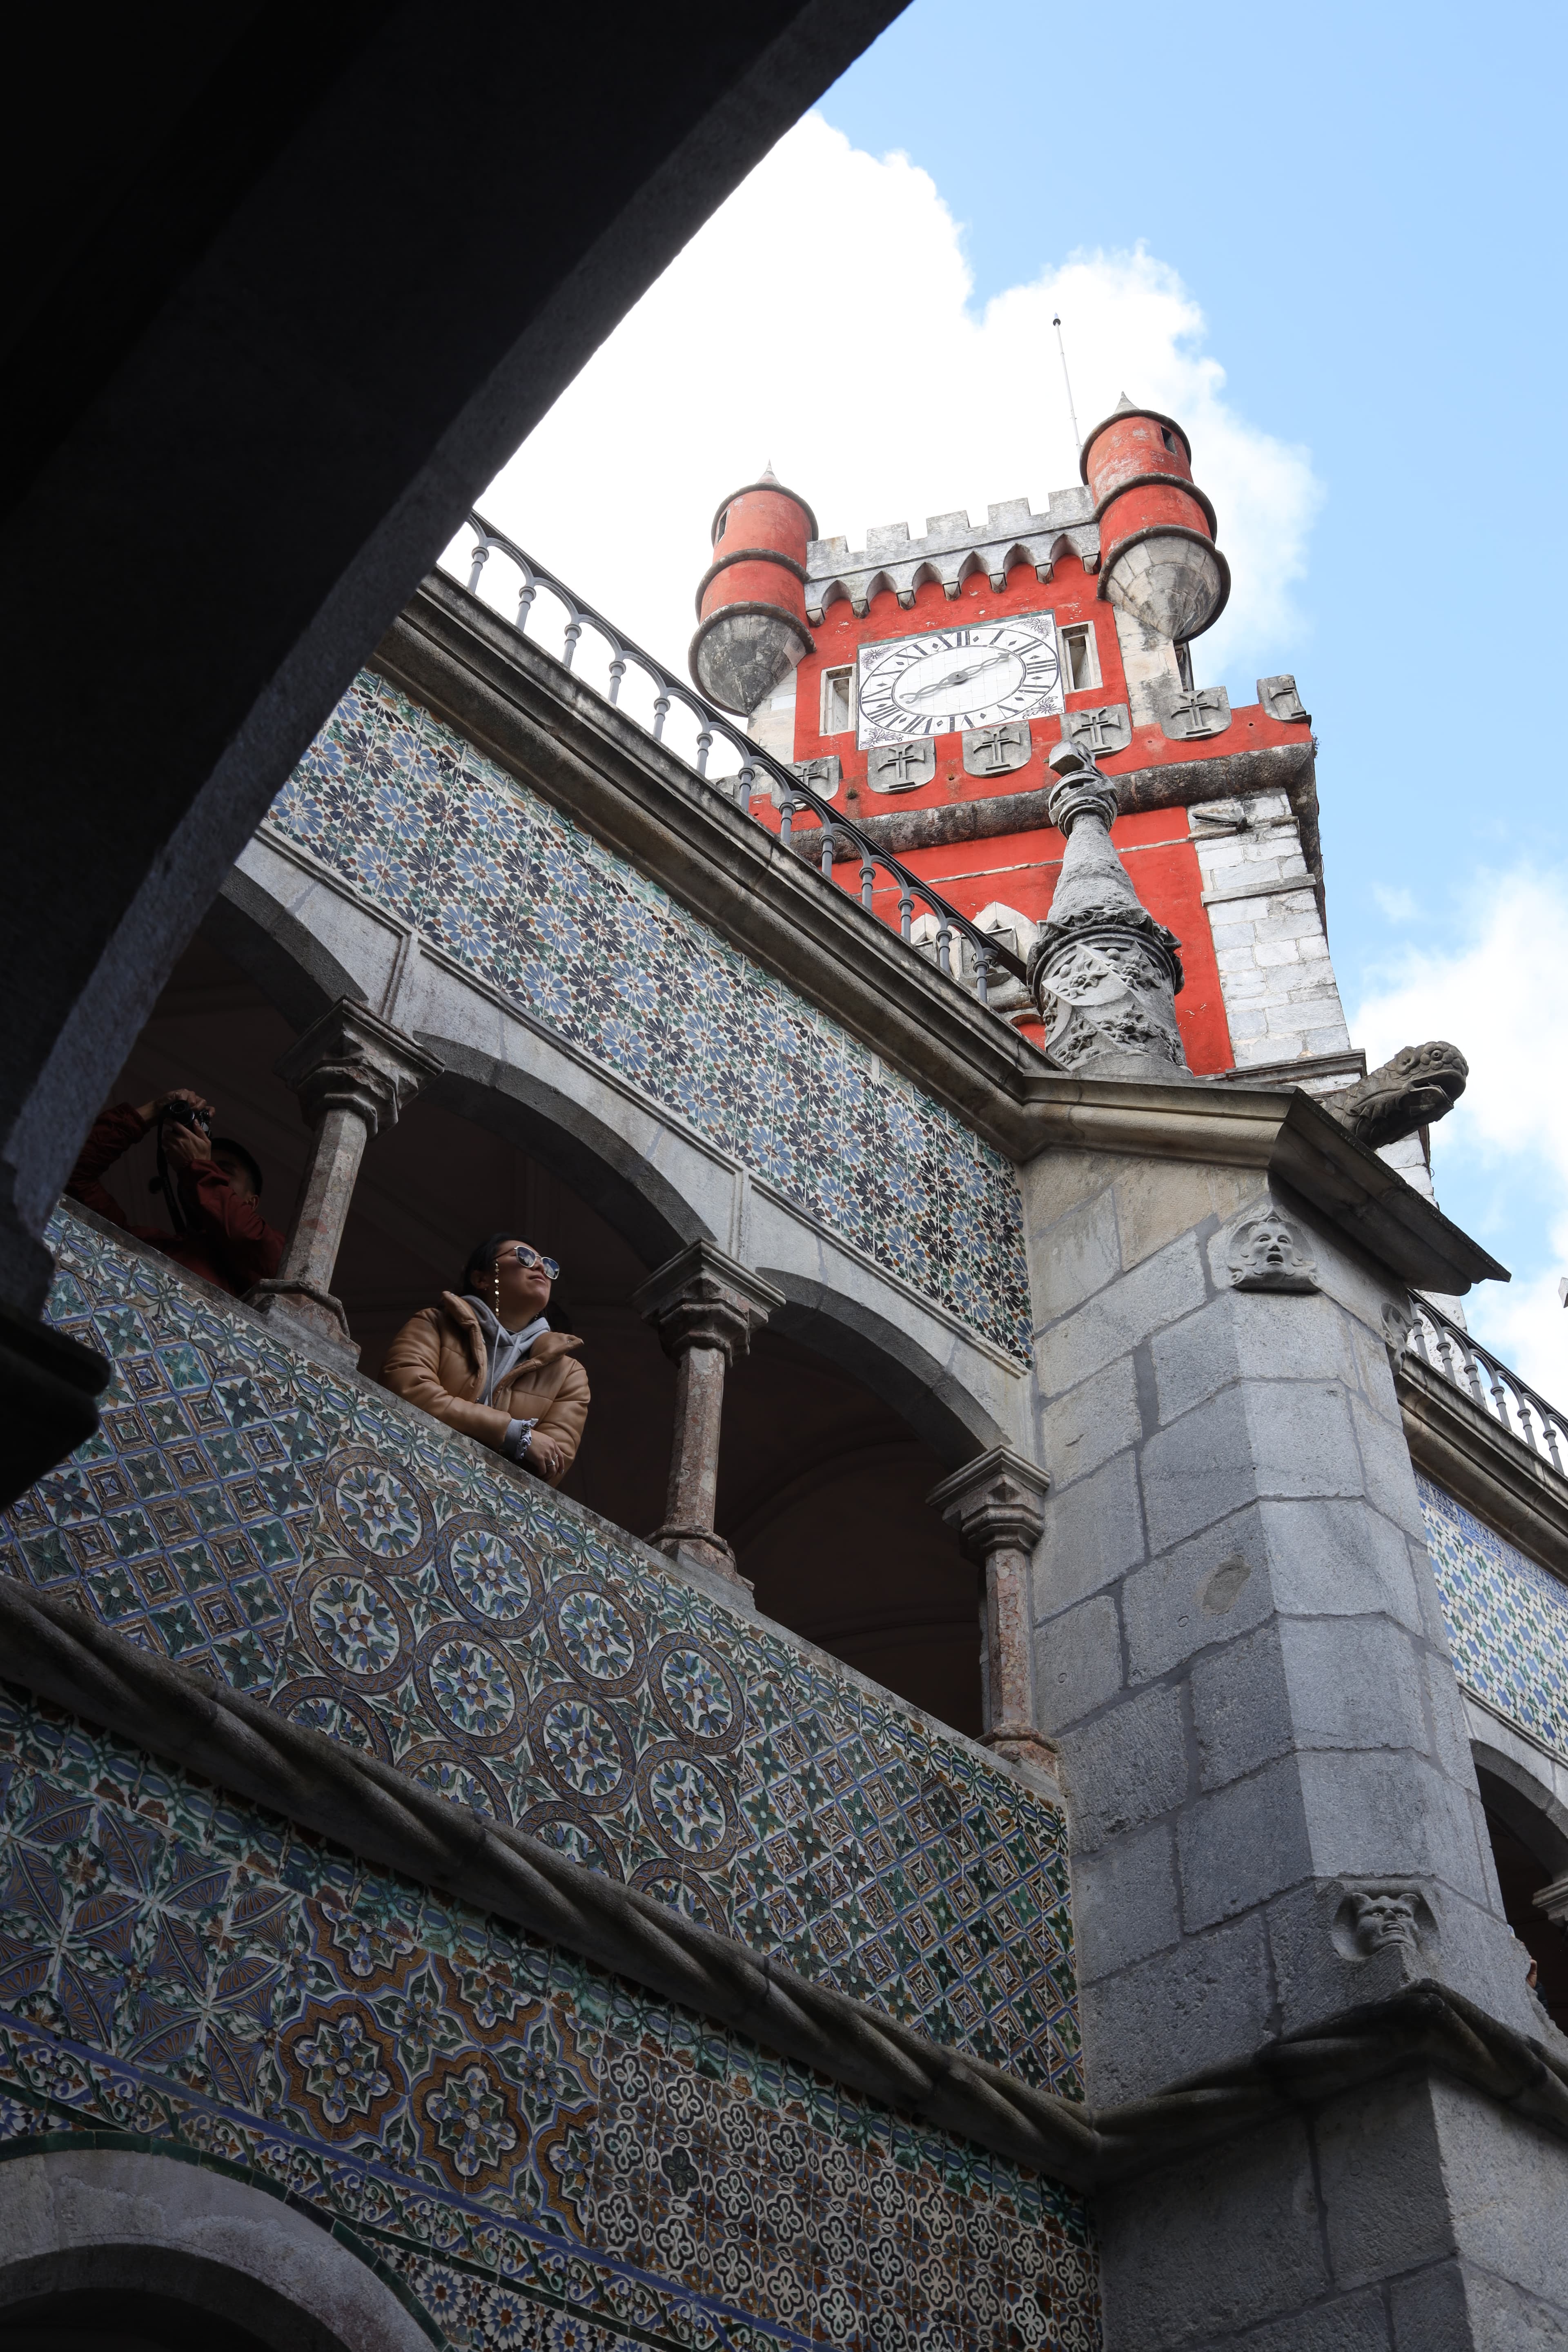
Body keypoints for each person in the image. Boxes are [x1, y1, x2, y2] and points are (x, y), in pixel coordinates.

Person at [380, 1232, 588, 1487]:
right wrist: (514, 1434)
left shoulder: (569, 1373)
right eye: (524, 1257)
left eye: (548, 1265)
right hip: (402, 1469)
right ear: (482, 1279)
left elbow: (552, 1464)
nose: (540, 1267)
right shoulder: (435, 1323)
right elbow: (407, 1390)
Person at [66, 1087, 285, 1298]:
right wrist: (155, 1110)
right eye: (208, 1165)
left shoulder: (272, 1258)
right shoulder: (152, 1244)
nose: (210, 1169)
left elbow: (254, 1241)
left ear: (251, 1203)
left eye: (223, 1170)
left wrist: (198, 1167)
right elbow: (71, 1173)